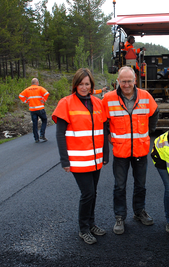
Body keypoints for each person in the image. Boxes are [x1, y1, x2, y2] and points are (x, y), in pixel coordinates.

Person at [52, 68, 109, 245]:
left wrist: (105, 154)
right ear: (75, 85)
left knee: (93, 193)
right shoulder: (66, 103)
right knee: (88, 193)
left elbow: (103, 130)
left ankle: (91, 224)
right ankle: (83, 229)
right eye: (81, 84)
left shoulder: (98, 103)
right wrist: (64, 160)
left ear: (91, 85)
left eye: (87, 84)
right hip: (78, 160)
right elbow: (60, 134)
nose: (84, 87)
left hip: (96, 159)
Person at [102, 66, 159, 235]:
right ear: (117, 81)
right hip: (120, 152)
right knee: (119, 186)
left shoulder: (146, 97)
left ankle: (139, 212)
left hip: (141, 150)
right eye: (123, 81)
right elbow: (103, 121)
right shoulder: (108, 99)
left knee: (140, 185)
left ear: (135, 80)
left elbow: (155, 112)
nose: (126, 85)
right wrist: (109, 136)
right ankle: (120, 217)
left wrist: (150, 130)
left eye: (129, 81)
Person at [19, 78, 49, 143]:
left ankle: (36, 138)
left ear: (32, 83)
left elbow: (20, 95)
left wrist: (26, 101)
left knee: (34, 124)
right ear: (37, 82)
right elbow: (46, 93)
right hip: (40, 108)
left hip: (32, 109)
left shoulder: (27, 89)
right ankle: (42, 134)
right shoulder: (40, 88)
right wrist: (43, 100)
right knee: (44, 120)